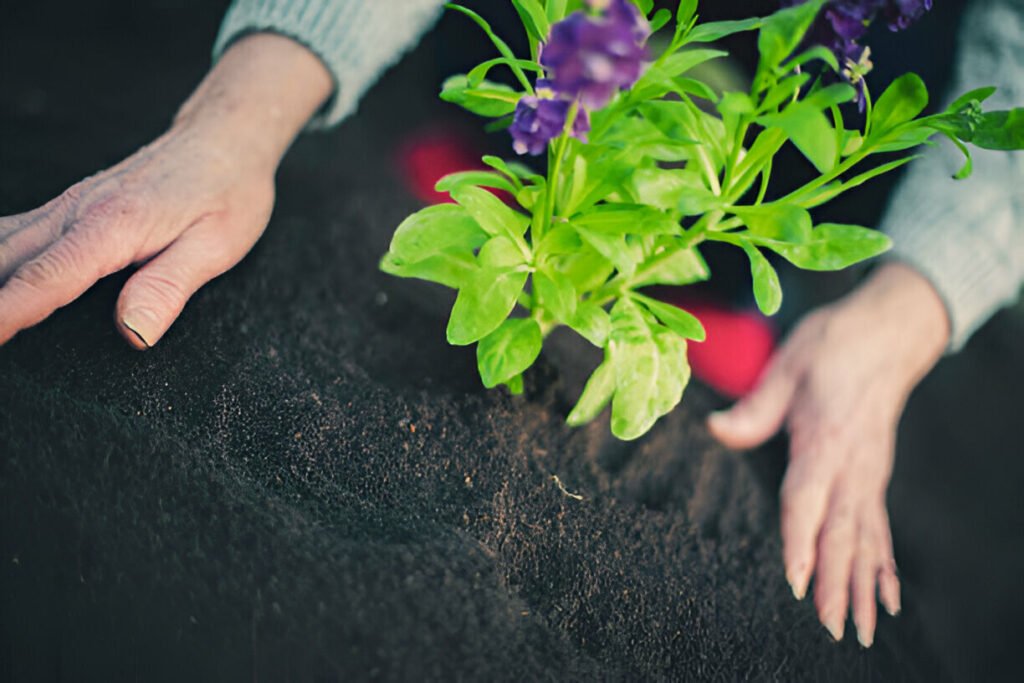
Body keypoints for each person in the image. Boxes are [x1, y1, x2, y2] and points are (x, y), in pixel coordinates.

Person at [0, 0, 1020, 652]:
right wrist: (233, 121)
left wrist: (904, 310)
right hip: (563, 74)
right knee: (519, 135)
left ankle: (673, 273)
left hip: (779, 135)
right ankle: (518, 195)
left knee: (750, 214)